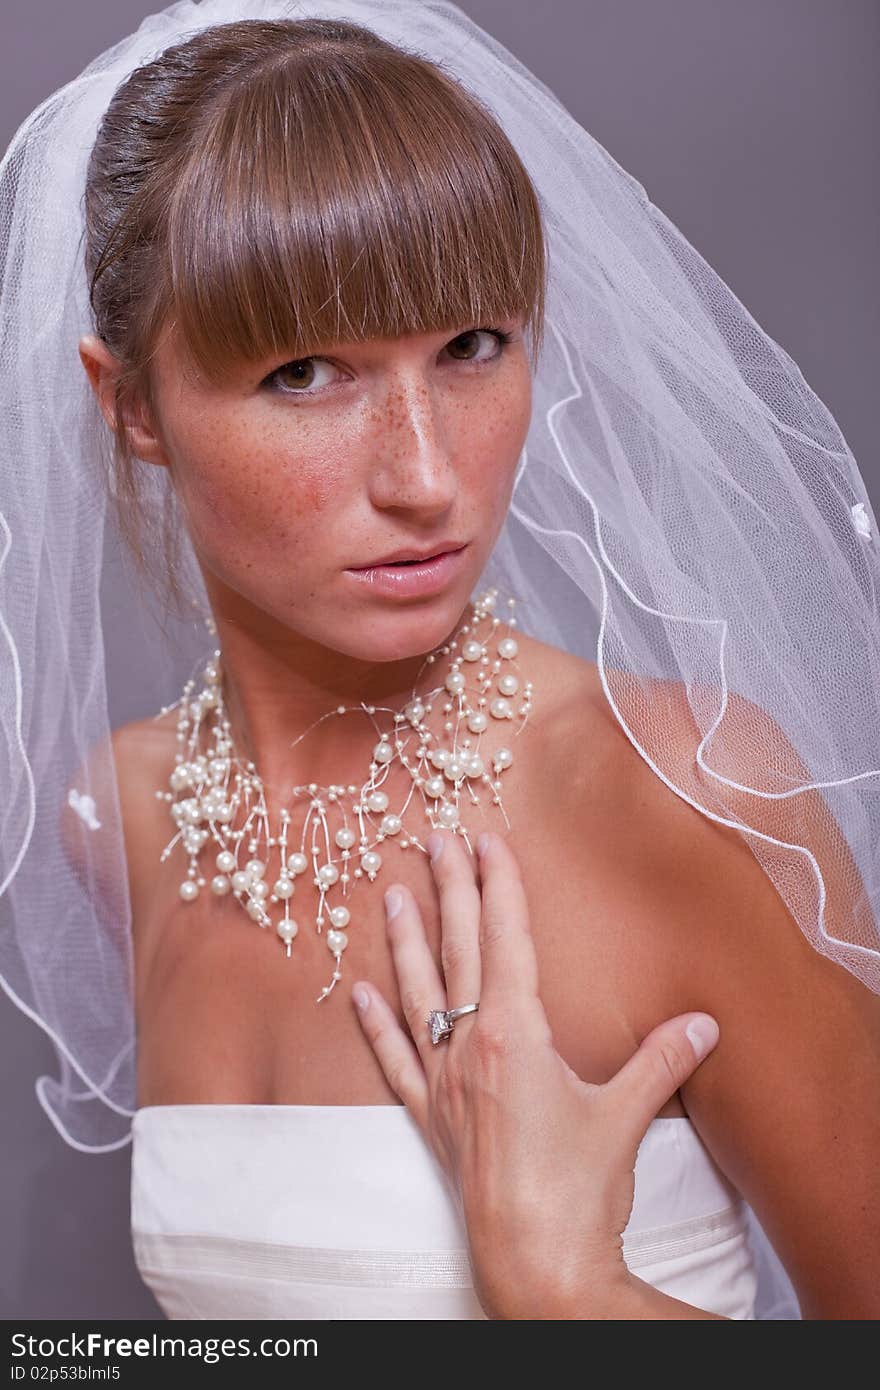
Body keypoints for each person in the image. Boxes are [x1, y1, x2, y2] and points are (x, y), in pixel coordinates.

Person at [2, 0, 878, 1321]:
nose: (428, 477)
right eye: (306, 372)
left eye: (472, 346)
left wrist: (573, 1290)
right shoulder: (112, 816)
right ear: (128, 403)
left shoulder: (681, 791)